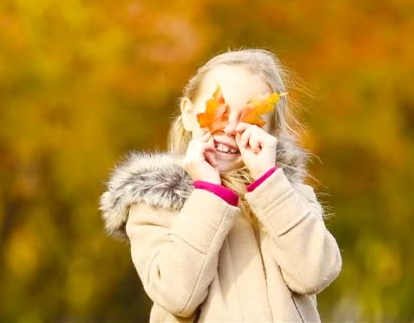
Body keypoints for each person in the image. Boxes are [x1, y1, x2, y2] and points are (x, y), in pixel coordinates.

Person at [99, 48, 342, 322]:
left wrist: (269, 184)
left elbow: (314, 273)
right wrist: (208, 195)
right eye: (221, 111)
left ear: (273, 132)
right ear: (189, 113)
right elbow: (177, 296)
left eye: (251, 117)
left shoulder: (289, 200)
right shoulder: (155, 205)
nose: (230, 129)